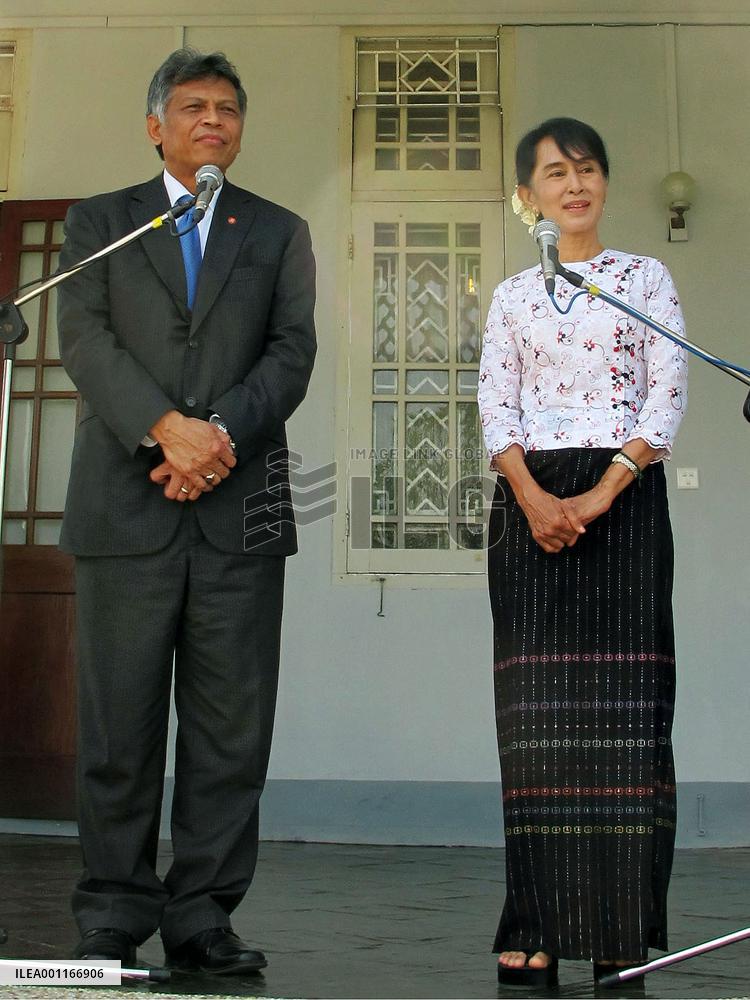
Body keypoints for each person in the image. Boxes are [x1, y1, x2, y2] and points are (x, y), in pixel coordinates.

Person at [57, 48, 316, 974]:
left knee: (229, 730)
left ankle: (203, 913)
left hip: (240, 507)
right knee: (120, 725)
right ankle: (115, 910)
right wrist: (166, 430)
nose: (215, 120)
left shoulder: (278, 231)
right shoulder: (101, 224)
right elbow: (82, 339)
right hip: (124, 505)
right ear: (155, 123)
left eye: (230, 109)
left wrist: (215, 441)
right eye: (195, 106)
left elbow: (290, 354)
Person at [477, 117, 687, 988]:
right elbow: (496, 406)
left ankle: (617, 925)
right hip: (527, 507)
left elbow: (667, 393)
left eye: (588, 169)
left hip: (625, 501)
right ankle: (535, 919)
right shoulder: (512, 296)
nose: (575, 185)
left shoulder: (644, 279)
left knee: (625, 719)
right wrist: (532, 499)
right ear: (528, 197)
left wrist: (600, 494)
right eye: (555, 173)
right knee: (538, 724)